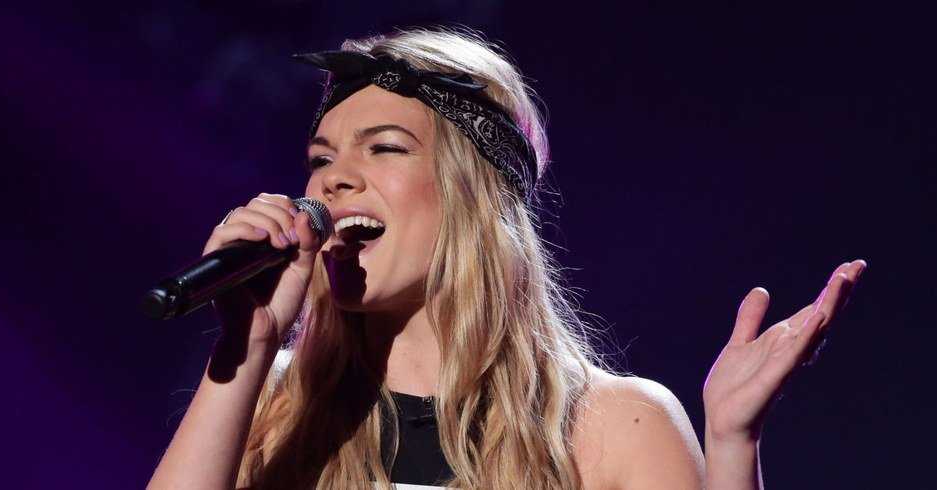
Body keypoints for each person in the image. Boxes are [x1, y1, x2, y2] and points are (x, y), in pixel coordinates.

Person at [147, 27, 866, 490]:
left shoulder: (612, 424)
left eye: (385, 148)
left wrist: (733, 446)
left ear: (475, 194)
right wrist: (246, 348)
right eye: (320, 158)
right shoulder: (274, 406)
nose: (332, 180)